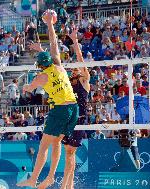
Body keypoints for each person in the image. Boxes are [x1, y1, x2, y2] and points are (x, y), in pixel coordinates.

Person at [17, 13, 78, 188]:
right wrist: (50, 24)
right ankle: (50, 176)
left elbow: (29, 88)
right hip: (74, 109)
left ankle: (33, 179)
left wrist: (26, 87)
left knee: (44, 145)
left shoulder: (41, 76)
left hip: (60, 110)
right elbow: (54, 44)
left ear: (39, 65)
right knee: (57, 141)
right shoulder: (58, 64)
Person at [60, 26, 90, 189]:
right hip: (69, 120)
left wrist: (75, 41)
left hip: (80, 120)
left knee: (70, 152)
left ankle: (65, 186)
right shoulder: (69, 84)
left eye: (75, 69)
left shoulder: (84, 82)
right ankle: (69, 186)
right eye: (72, 69)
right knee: (68, 154)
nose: (73, 70)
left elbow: (80, 59)